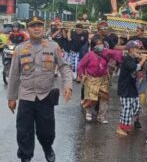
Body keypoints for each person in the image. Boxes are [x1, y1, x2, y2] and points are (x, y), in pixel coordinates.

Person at [7, 16, 73, 162]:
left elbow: (64, 67)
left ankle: (47, 148)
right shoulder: (20, 49)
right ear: (28, 29)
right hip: (26, 96)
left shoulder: (53, 46)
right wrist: (11, 97)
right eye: (33, 26)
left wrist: (68, 85)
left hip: (45, 96)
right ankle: (25, 157)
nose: (36, 28)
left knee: (47, 131)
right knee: (24, 131)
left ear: (44, 28)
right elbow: (14, 75)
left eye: (39, 26)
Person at [77, 35, 123, 124]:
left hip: (103, 78)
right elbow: (81, 65)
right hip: (91, 78)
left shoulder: (105, 52)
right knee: (91, 98)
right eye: (98, 44)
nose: (100, 46)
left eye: (101, 44)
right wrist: (81, 75)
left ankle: (102, 116)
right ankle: (89, 112)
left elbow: (115, 53)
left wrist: (125, 54)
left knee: (104, 98)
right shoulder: (89, 54)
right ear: (94, 45)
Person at [116, 40, 147, 136]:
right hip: (125, 88)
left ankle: (125, 125)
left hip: (132, 88)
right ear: (131, 49)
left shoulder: (133, 58)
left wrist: (141, 59)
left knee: (137, 107)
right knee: (127, 108)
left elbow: (140, 70)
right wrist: (143, 59)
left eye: (138, 48)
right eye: (136, 48)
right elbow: (135, 68)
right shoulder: (127, 59)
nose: (138, 50)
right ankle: (121, 128)